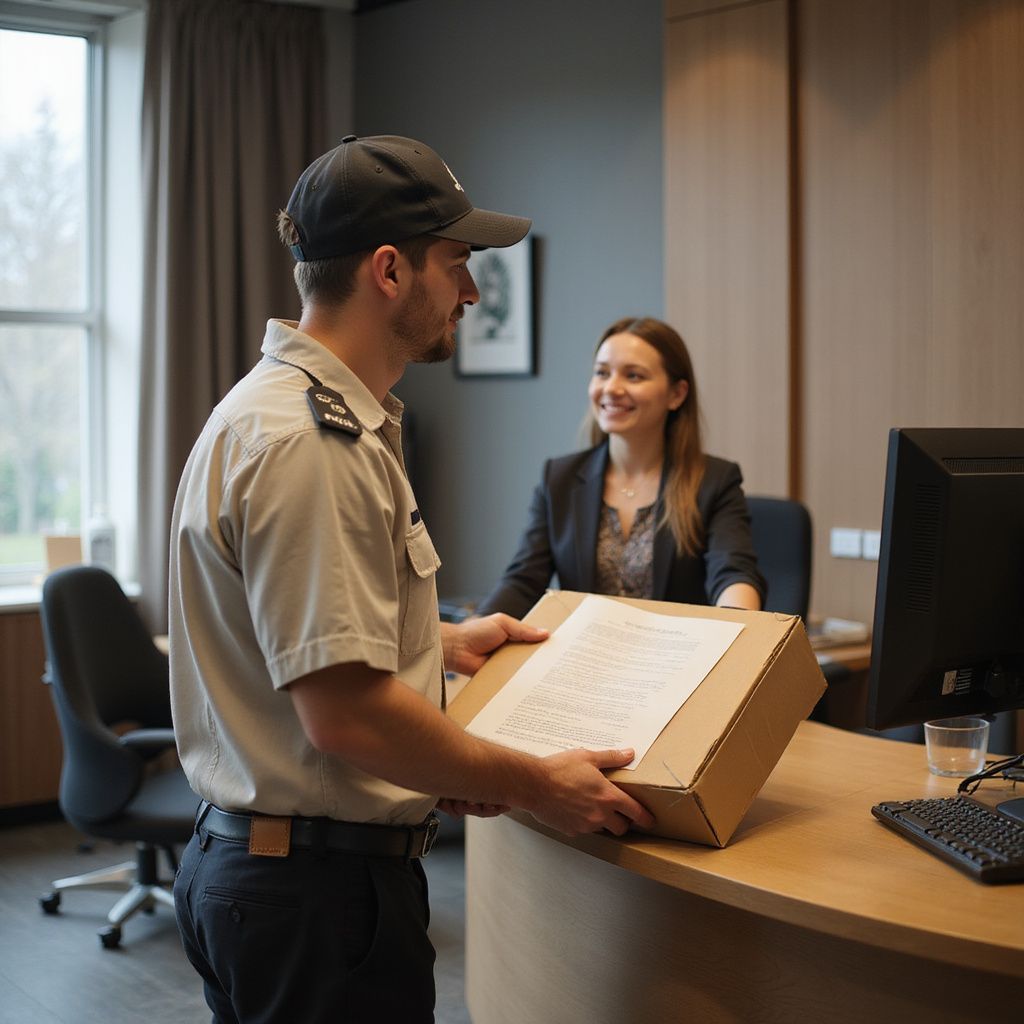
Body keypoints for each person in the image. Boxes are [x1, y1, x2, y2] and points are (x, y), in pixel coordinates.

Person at [168, 135, 653, 1024]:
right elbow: (346, 715)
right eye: (458, 265)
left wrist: (440, 644)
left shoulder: (264, 410)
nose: (471, 292)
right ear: (390, 271)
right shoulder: (315, 446)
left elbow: (294, 651)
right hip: (316, 897)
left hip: (266, 874)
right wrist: (537, 782)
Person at [477, 316, 765, 619]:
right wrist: (471, 634)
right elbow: (522, 582)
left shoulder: (715, 481)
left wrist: (739, 623)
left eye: (634, 376)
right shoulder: (559, 478)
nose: (611, 388)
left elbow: (733, 573)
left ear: (676, 394)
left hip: (677, 660)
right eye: (602, 373)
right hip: (587, 657)